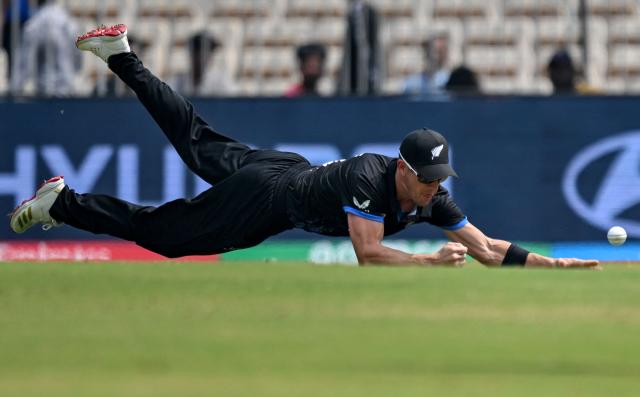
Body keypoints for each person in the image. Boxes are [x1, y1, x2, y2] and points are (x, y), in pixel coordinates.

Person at [9, 24, 599, 269]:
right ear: (401, 167)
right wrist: (428, 262)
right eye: (426, 177)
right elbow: (368, 255)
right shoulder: (372, 181)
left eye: (439, 177)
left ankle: (122, 56)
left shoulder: (430, 197)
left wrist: (551, 265)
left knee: (190, 136)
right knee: (164, 236)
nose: (434, 187)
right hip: (266, 199)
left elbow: (490, 249)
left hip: (283, 170)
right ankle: (64, 206)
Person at [10, 0, 81, 96]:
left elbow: (25, 66)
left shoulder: (33, 25)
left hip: (43, 92)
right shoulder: (69, 23)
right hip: (67, 89)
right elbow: (78, 62)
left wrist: (14, 90)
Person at [168, 30, 236, 97]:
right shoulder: (178, 81)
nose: (205, 56)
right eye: (199, 51)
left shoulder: (220, 80)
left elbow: (236, 101)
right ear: (192, 53)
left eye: (209, 51)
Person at [338, 0, 381, 96]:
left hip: (367, 65)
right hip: (353, 70)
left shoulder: (370, 12)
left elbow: (373, 40)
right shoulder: (351, 13)